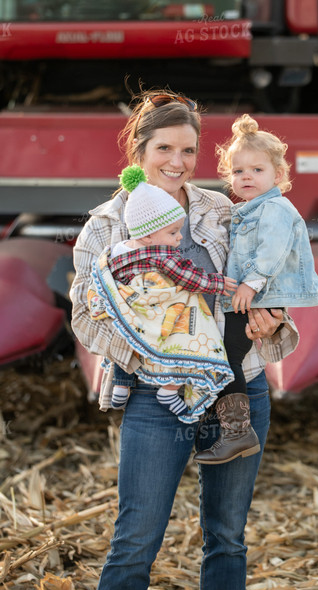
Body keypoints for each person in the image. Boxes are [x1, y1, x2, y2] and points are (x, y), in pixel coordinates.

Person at [69, 89, 299, 590]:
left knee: (227, 538)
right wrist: (155, 355)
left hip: (238, 388)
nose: (178, 162)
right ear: (140, 152)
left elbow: (273, 267)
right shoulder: (106, 223)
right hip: (157, 397)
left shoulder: (224, 209)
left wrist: (272, 311)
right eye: (164, 150)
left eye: (189, 151)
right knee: (135, 541)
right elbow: (85, 313)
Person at [194, 114, 318, 463]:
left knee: (224, 356)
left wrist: (250, 284)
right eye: (238, 172)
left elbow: (273, 249)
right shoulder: (249, 209)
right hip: (251, 297)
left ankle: (237, 432)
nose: (246, 177)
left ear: (278, 175)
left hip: (259, 296)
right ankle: (235, 430)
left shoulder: (275, 209)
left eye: (257, 170)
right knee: (227, 354)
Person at [88, 163, 238, 425]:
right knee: (176, 342)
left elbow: (103, 277)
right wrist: (217, 284)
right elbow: (188, 278)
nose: (179, 238)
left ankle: (121, 385)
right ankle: (170, 391)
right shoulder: (162, 255)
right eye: (172, 232)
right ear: (147, 236)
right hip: (158, 308)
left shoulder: (118, 250)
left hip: (131, 307)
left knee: (130, 336)